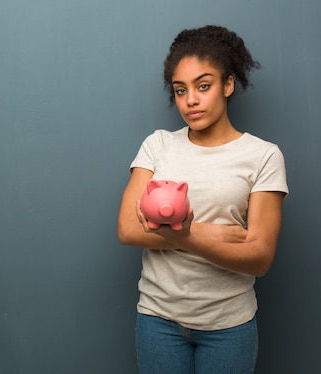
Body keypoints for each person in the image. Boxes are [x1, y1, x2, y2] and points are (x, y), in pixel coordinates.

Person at [117, 25, 288, 373]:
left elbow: (259, 258)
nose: (190, 100)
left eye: (203, 86)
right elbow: (127, 230)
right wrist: (209, 234)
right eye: (181, 90)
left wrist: (180, 234)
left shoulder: (264, 156)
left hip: (228, 326)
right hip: (158, 320)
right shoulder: (158, 145)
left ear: (228, 85)